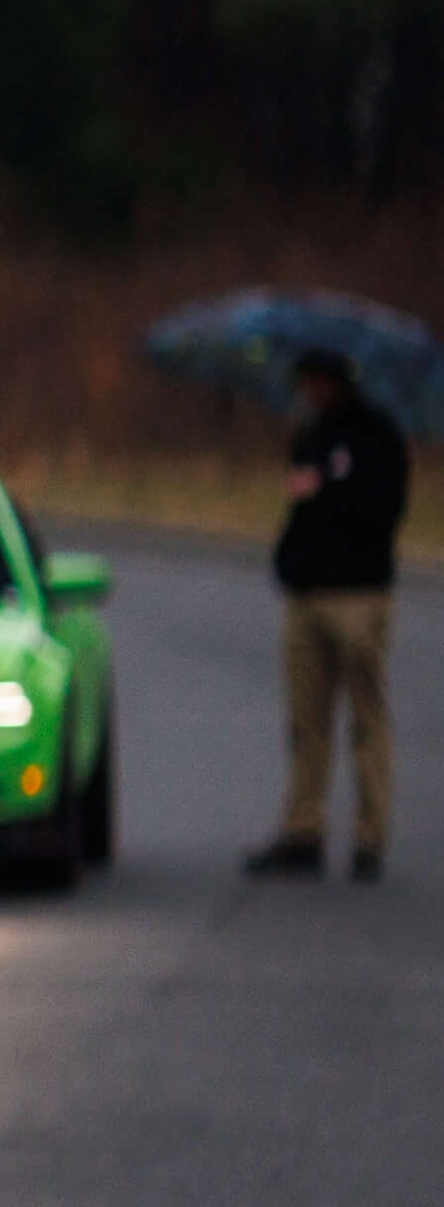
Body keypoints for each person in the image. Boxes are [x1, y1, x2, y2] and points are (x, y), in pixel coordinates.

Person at [250, 347, 407, 882]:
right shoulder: (308, 436)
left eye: (317, 381)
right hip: (308, 592)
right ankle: (303, 829)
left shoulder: (376, 434)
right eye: (304, 383)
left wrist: (329, 491)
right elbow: (299, 509)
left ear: (338, 380)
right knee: (305, 721)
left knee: (366, 717)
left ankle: (370, 836)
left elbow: (383, 510)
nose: (310, 392)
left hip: (358, 594)